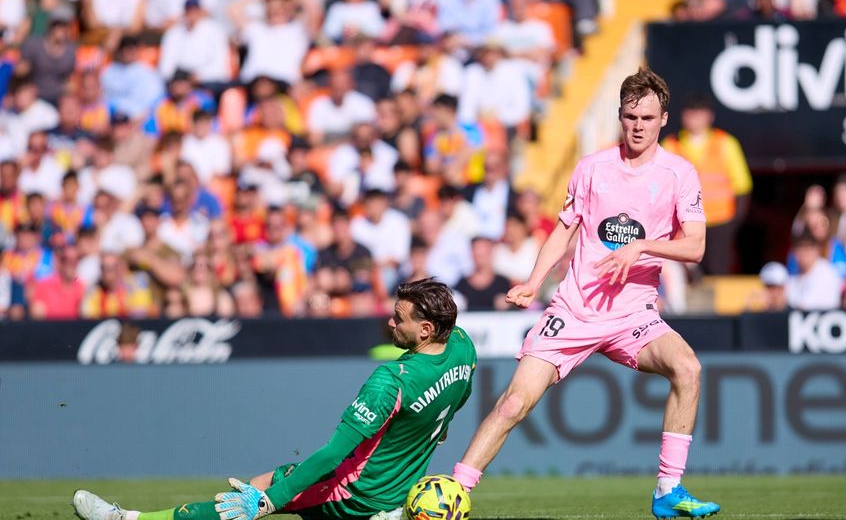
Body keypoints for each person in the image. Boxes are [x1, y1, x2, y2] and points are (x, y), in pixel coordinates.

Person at [450, 68, 720, 518]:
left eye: (648, 118)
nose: (638, 126)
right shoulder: (592, 168)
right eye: (631, 116)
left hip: (634, 316)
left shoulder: (679, 174)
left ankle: (668, 490)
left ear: (664, 119)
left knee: (688, 368)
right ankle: (455, 493)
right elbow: (564, 230)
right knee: (514, 402)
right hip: (574, 310)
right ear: (619, 115)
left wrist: (643, 246)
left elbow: (695, 246)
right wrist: (535, 281)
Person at [72, 278, 477, 520]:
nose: (390, 321)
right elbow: (459, 398)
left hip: (352, 493)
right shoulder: (461, 346)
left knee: (242, 502)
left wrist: (268, 503)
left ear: (425, 329)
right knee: (265, 480)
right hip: (394, 486)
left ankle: (127, 518)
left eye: (399, 318)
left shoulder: (392, 379)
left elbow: (332, 455)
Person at [661, 93, 752, 275]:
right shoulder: (670, 145)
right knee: (687, 274)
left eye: (699, 112)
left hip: (720, 222)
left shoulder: (726, 143)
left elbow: (743, 187)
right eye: (691, 112)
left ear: (709, 116)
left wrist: (733, 224)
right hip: (685, 224)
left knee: (719, 271)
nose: (695, 118)